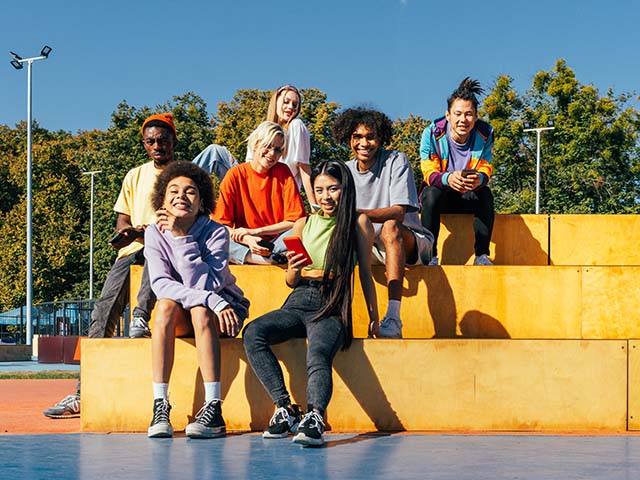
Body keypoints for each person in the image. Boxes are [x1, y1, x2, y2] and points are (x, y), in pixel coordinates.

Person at [43, 113, 178, 418]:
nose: (157, 145)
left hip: (167, 248)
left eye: (163, 140)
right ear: (144, 144)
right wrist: (123, 233)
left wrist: (144, 232)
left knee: (154, 257)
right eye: (151, 141)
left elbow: (184, 219)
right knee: (102, 314)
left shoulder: (182, 175)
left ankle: (140, 318)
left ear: (174, 142)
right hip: (130, 250)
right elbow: (123, 216)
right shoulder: (134, 175)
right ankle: (82, 393)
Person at [243, 160, 379, 447]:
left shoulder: (358, 223)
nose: (326, 196)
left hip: (331, 303)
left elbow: (365, 273)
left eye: (333, 188)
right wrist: (293, 267)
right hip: (299, 298)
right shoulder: (303, 223)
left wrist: (373, 316)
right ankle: (285, 408)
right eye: (319, 190)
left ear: (346, 189)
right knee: (254, 331)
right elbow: (291, 280)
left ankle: (315, 415)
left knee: (317, 353)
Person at [144, 160, 249, 438]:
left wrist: (180, 236)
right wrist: (207, 298)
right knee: (164, 307)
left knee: (201, 309)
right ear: (162, 201)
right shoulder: (153, 233)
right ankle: (160, 405)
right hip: (186, 310)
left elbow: (209, 284)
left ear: (202, 201)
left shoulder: (215, 231)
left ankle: (213, 408)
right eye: (173, 191)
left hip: (222, 311)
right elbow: (161, 284)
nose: (181, 196)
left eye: (190, 191)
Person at [332, 108, 433, 339]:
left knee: (390, 227)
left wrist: (353, 213)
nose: (364, 143)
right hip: (368, 243)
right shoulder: (344, 170)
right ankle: (334, 317)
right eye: (357, 137)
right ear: (348, 139)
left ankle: (394, 318)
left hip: (408, 242)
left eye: (370, 136)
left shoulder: (396, 160)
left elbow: (398, 212)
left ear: (381, 138)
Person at [419, 77, 495, 266]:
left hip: (468, 195)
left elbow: (486, 165)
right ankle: (430, 255)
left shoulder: (486, 134)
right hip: (441, 196)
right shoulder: (432, 133)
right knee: (429, 193)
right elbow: (428, 170)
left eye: (469, 114)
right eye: (458, 114)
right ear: (448, 115)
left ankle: (482, 255)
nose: (463, 120)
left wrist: (480, 178)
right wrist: (448, 178)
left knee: (485, 194)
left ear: (476, 116)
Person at [213, 121, 306, 264]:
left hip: (277, 240)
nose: (272, 154)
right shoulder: (235, 175)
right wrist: (247, 238)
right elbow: (222, 225)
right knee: (215, 237)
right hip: (245, 243)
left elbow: (295, 221)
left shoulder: (283, 171)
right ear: (256, 144)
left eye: (278, 150)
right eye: (268, 146)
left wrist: (256, 232)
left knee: (307, 227)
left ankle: (265, 257)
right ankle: (268, 259)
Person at [247, 84, 315, 206]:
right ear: (276, 102)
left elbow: (304, 167)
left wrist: (315, 206)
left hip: (277, 191)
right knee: (215, 153)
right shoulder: (261, 130)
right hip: (252, 186)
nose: (290, 107)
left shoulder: (296, 126)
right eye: (286, 102)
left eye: (295, 105)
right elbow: (249, 166)